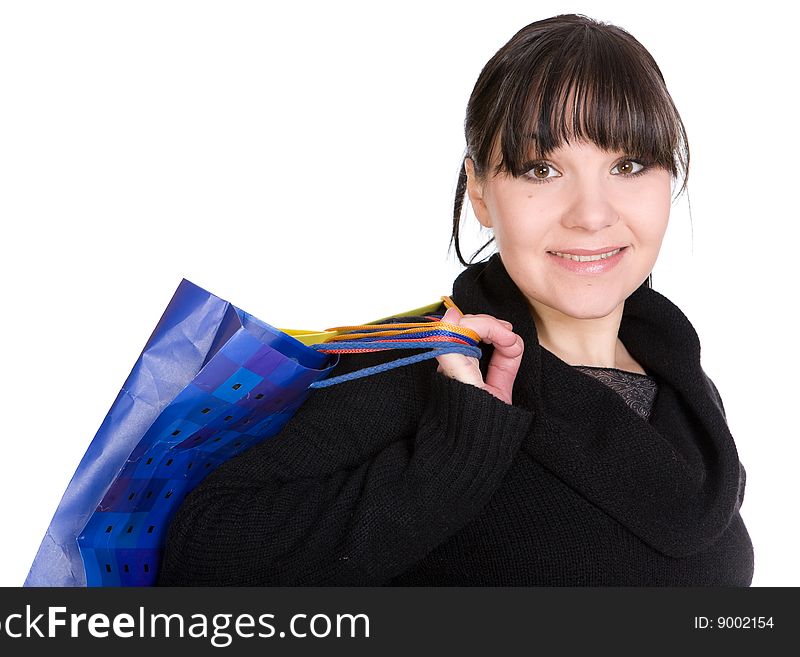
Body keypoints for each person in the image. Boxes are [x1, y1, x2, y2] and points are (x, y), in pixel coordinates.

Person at [157, 13, 753, 586]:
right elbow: (200, 560)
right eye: (542, 171)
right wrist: (458, 447)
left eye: (628, 164)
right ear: (481, 193)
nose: (592, 215)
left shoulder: (677, 375)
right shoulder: (427, 364)